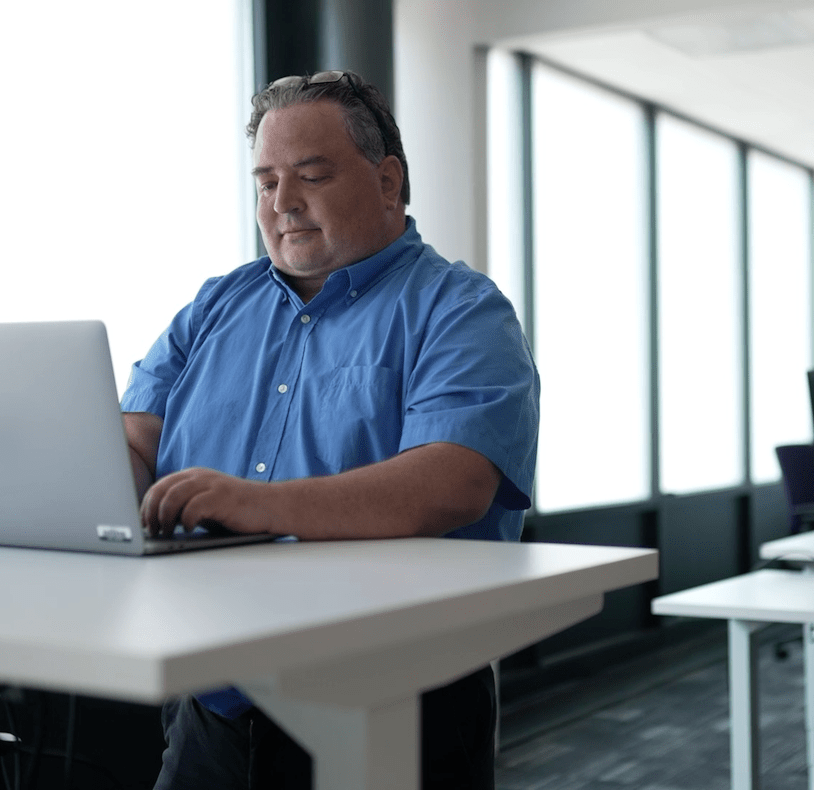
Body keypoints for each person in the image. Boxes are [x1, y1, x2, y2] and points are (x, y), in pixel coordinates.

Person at [120, 69, 539, 789]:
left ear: (386, 181)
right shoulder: (214, 307)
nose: (282, 203)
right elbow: (135, 444)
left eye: (309, 175)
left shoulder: (460, 309)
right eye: (265, 182)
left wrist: (257, 504)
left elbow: (453, 481)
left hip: (390, 700)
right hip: (217, 695)